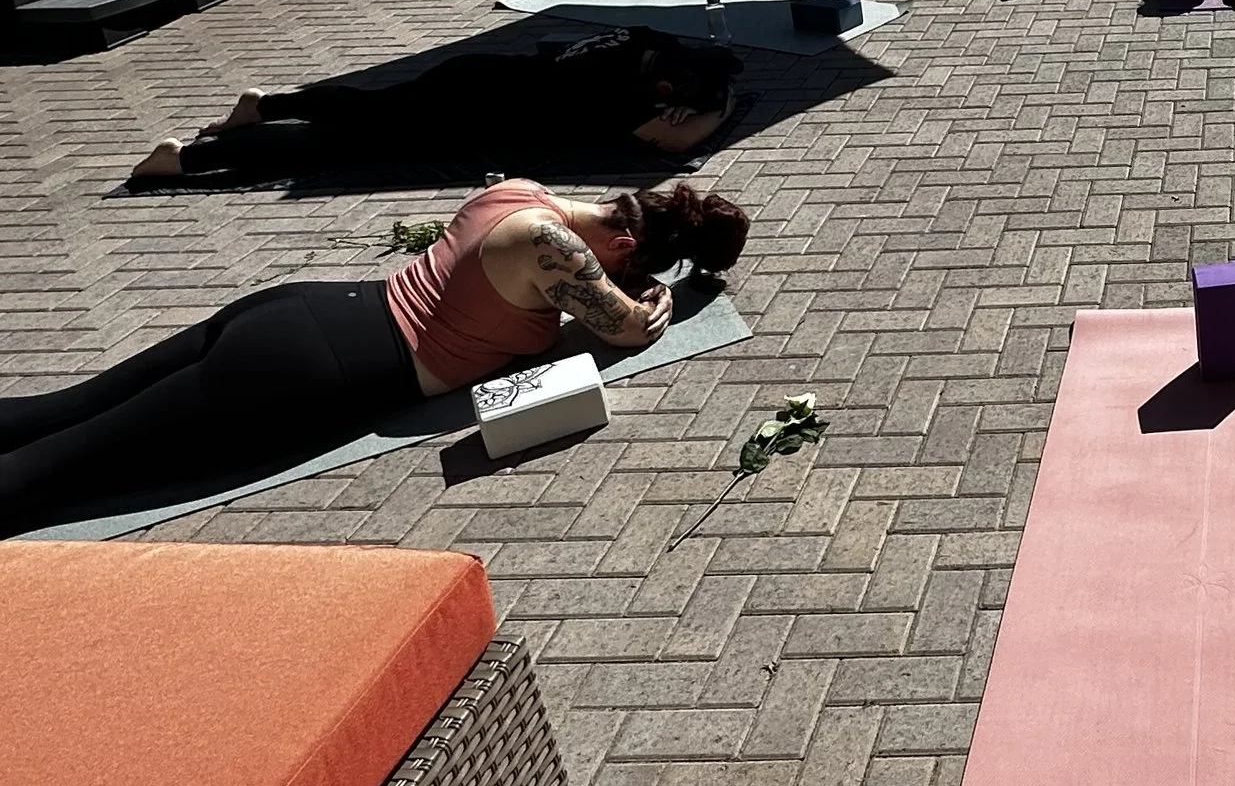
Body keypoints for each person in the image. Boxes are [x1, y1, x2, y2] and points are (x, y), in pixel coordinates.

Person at [0, 177, 748, 535]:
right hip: (306, 371)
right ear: (624, 246)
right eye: (627, 267)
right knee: (71, 467)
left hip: (300, 309)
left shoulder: (524, 189)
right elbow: (625, 328)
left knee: (65, 410)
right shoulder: (558, 248)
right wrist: (653, 301)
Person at [128, 28, 742, 187]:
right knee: (335, 144)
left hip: (476, 77)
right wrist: (711, 114)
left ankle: (263, 106)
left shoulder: (642, 44)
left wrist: (705, 95)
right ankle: (186, 159)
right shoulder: (624, 99)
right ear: (671, 92)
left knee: (368, 107)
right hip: (464, 113)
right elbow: (673, 145)